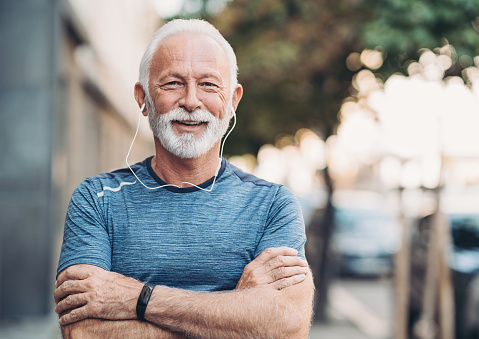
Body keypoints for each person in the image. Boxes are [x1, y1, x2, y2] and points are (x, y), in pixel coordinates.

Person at [54, 18, 314, 338]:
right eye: (173, 83)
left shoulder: (273, 205)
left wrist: (136, 299)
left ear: (232, 100)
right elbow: (83, 332)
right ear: (143, 97)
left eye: (208, 84)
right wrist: (236, 307)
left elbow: (287, 326)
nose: (191, 101)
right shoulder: (97, 198)